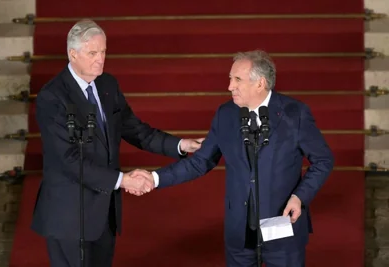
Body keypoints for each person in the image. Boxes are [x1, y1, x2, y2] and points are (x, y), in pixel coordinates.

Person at [130, 50, 335, 266]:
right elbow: (199, 162)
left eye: (237, 79)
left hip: (282, 228)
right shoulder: (225, 114)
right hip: (240, 233)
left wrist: (299, 197)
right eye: (230, 79)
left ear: (260, 83)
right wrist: (154, 178)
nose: (230, 86)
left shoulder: (295, 113)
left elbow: (323, 160)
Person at [31, 19, 204, 267]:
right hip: (69, 215)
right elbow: (68, 159)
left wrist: (180, 145)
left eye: (103, 52)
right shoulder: (53, 96)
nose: (100, 59)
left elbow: (136, 130)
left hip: (104, 213)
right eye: (93, 53)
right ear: (73, 54)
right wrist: (123, 180)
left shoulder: (107, 84)